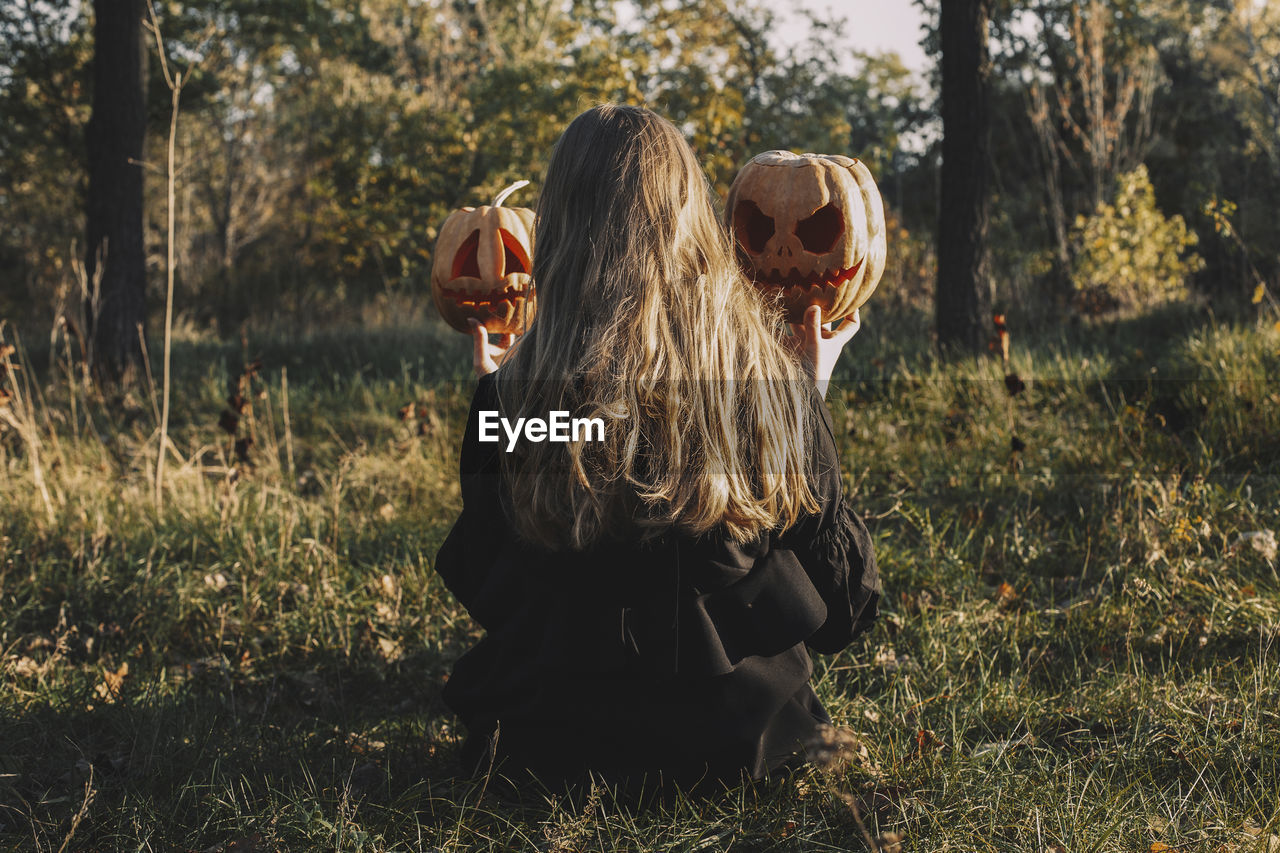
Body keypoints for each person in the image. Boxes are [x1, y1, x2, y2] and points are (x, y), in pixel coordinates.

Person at [433, 104, 879, 798]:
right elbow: (846, 610)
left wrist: (503, 407)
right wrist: (805, 397)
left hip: (554, 752)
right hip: (739, 744)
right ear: (691, 220)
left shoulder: (515, 400)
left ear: (558, 226)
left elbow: (490, 586)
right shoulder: (762, 389)